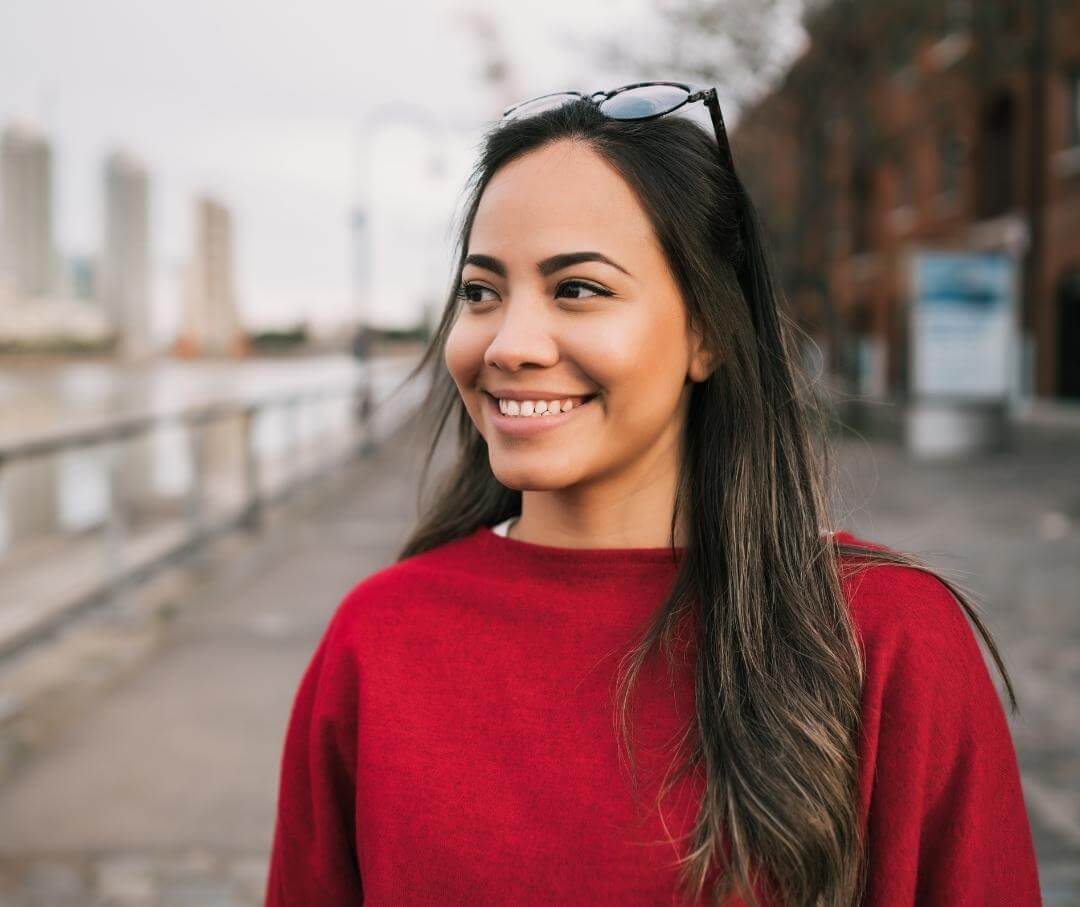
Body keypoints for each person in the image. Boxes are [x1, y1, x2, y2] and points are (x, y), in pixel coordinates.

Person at [264, 84, 1042, 906]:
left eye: (578, 289)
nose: (509, 343)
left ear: (708, 329)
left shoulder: (884, 638)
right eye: (481, 292)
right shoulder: (376, 640)